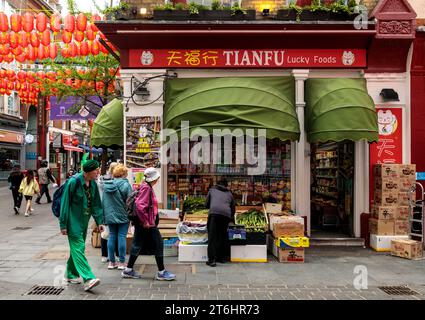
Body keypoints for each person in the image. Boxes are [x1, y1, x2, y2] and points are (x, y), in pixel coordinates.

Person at [121, 167, 176, 281]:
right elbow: (141, 206)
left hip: (144, 223)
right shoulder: (147, 188)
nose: (158, 180)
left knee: (137, 244)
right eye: (157, 178)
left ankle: (128, 270)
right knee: (158, 243)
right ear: (154, 179)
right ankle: (161, 272)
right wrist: (146, 221)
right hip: (147, 224)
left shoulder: (144, 186)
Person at [59, 159, 105, 291]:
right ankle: (88, 278)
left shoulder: (93, 184)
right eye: (96, 170)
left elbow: (96, 204)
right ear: (88, 171)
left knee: (78, 248)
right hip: (72, 222)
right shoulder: (73, 182)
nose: (98, 172)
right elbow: (65, 203)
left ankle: (70, 273)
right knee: (79, 248)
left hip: (84, 221)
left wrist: (99, 221)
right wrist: (63, 224)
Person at [102, 164, 132, 270]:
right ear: (123, 174)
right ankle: (122, 262)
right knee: (122, 236)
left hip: (110, 215)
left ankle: (111, 262)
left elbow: (104, 202)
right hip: (123, 215)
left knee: (112, 236)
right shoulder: (125, 185)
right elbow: (130, 201)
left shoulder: (107, 185)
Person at [205, 179, 236, 267]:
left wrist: (212, 206)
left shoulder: (212, 190)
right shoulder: (229, 193)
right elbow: (233, 208)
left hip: (214, 214)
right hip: (226, 215)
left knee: (212, 236)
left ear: (217, 184)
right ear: (226, 185)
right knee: (222, 236)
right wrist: (230, 217)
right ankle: (221, 258)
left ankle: (211, 260)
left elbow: (206, 204)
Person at [98, 162, 119, 263]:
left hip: (103, 207)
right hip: (115, 208)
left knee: (106, 233)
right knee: (116, 233)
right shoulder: (118, 181)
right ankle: (117, 254)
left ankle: (104, 255)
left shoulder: (102, 179)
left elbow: (99, 193)